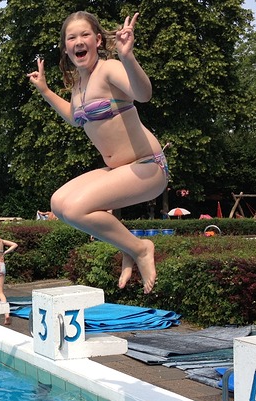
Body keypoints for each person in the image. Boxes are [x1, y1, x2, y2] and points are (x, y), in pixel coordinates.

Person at [27, 11, 167, 293]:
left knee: (77, 209)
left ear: (98, 40)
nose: (79, 42)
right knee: (59, 203)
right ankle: (125, 245)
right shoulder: (78, 86)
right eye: (72, 38)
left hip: (147, 166)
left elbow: (143, 94)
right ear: (66, 47)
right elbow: (74, 116)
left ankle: (141, 249)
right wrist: (45, 91)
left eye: (85, 35)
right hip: (119, 170)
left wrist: (128, 57)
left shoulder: (110, 68)